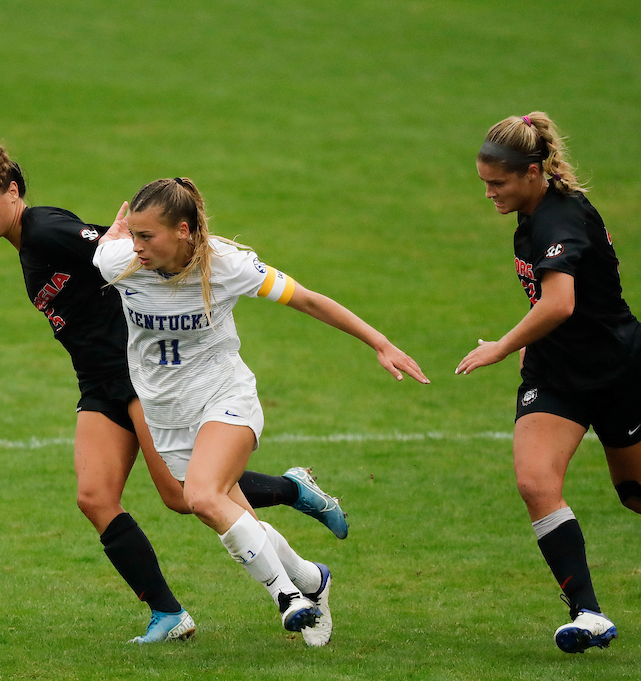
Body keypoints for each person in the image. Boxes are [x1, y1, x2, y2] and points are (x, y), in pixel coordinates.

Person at [0, 141, 352, 645]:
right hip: (97, 384)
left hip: (138, 375)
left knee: (185, 496)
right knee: (94, 496)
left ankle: (293, 501)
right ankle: (168, 613)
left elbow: (138, 251)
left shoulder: (45, 229)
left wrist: (130, 249)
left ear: (12, 192)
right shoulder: (27, 246)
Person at [94, 177, 429, 644]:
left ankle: (288, 597)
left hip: (225, 398)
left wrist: (380, 342)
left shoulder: (228, 266)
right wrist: (118, 235)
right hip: (166, 415)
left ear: (185, 231)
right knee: (233, 517)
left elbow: (308, 299)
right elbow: (108, 244)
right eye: (133, 234)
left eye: (147, 236)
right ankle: (314, 580)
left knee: (202, 497)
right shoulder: (119, 261)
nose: (137, 245)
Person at [456, 112, 641, 654]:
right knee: (535, 483)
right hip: (556, 374)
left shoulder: (560, 218)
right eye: (484, 183)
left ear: (533, 172)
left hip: (618, 373)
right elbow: (552, 308)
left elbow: (560, 302)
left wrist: (502, 346)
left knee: (640, 496)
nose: (488, 194)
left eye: (497, 183)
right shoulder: (531, 212)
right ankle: (589, 613)